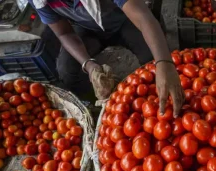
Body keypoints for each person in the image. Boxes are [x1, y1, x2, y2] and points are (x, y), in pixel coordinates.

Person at [29, 0, 184, 117]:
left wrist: (164, 62)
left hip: (125, 19)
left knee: (152, 57)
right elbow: (64, 33)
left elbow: (143, 17)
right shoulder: (40, 1)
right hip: (87, 29)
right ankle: (99, 105)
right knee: (67, 71)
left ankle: (157, 99)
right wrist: (89, 66)